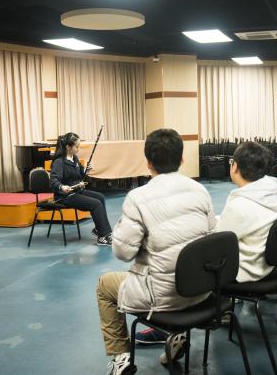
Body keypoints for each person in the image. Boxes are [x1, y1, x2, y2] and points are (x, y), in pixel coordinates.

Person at [96, 129, 216, 375]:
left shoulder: (138, 197)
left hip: (162, 296)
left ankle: (120, 358)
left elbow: (122, 252)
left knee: (104, 285)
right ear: (182, 160)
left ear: (148, 162)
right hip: (202, 290)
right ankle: (176, 335)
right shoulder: (200, 191)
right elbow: (210, 237)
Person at [214, 141, 277, 282]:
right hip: (265, 265)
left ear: (234, 166)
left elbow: (218, 241)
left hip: (244, 271)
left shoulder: (240, 205)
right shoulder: (275, 191)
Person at [50, 132, 112, 245]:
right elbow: (53, 180)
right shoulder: (59, 162)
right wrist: (62, 187)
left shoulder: (74, 158)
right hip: (65, 196)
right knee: (96, 204)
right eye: (77, 147)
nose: (78, 149)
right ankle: (103, 236)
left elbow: (79, 173)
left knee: (101, 198)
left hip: (77, 191)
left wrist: (86, 170)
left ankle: (100, 230)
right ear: (68, 147)